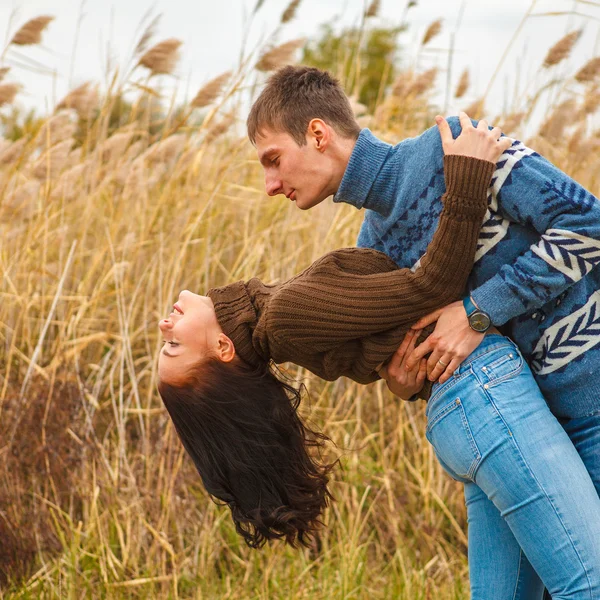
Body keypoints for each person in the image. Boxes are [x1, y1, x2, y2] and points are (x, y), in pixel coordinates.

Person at [157, 118, 600, 600]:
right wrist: (468, 181)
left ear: (318, 133)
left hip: (472, 403)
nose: (164, 325)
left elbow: (393, 328)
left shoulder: (292, 299)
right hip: (485, 395)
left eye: (273, 160)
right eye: (173, 344)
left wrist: (401, 377)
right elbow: (430, 288)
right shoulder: (284, 317)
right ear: (223, 350)